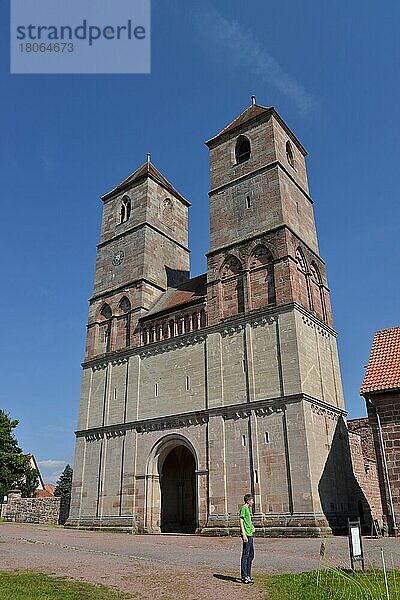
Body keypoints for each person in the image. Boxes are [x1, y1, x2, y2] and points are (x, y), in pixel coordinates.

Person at [239, 493, 255, 584]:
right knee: (245, 555)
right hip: (247, 535)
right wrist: (244, 534)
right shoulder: (244, 508)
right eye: (252, 500)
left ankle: (248, 575)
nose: (253, 502)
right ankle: (244, 576)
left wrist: (252, 526)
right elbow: (241, 520)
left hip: (250, 533)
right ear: (248, 501)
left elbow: (247, 521)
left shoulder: (247, 509)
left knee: (251, 555)